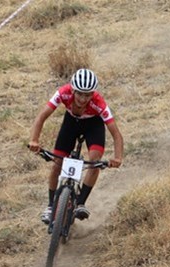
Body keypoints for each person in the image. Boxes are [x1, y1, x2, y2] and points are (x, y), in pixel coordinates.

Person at [28, 68, 124, 223]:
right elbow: (41, 117)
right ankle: (51, 206)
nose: (83, 98)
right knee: (57, 164)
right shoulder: (63, 93)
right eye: (79, 93)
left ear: (93, 93)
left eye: (88, 95)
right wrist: (34, 140)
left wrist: (118, 157)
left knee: (94, 161)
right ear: (72, 90)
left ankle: (80, 203)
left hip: (93, 125)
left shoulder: (99, 103)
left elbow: (116, 134)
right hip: (71, 123)